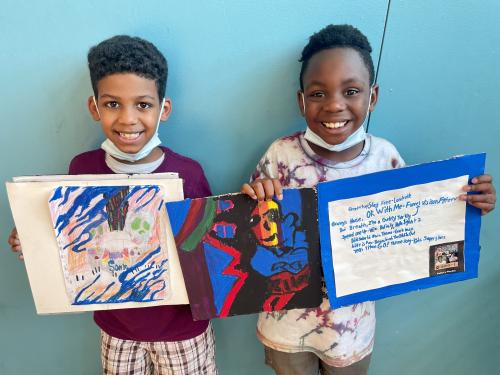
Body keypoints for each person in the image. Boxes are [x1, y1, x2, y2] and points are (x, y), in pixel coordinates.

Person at [241, 24, 496, 375]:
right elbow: (250, 221)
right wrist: (255, 196)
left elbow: (419, 222)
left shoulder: (385, 159)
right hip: (285, 326)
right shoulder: (281, 154)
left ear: (371, 97)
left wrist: (467, 202)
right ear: (301, 101)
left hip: (352, 329)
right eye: (318, 94)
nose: (334, 105)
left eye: (351, 91)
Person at [8, 35, 217, 375]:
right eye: (112, 104)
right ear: (94, 107)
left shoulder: (188, 174)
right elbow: (68, 237)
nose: (127, 119)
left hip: (182, 331)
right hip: (116, 328)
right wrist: (32, 238)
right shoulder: (81, 170)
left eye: (143, 105)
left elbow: (209, 247)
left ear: (163, 109)